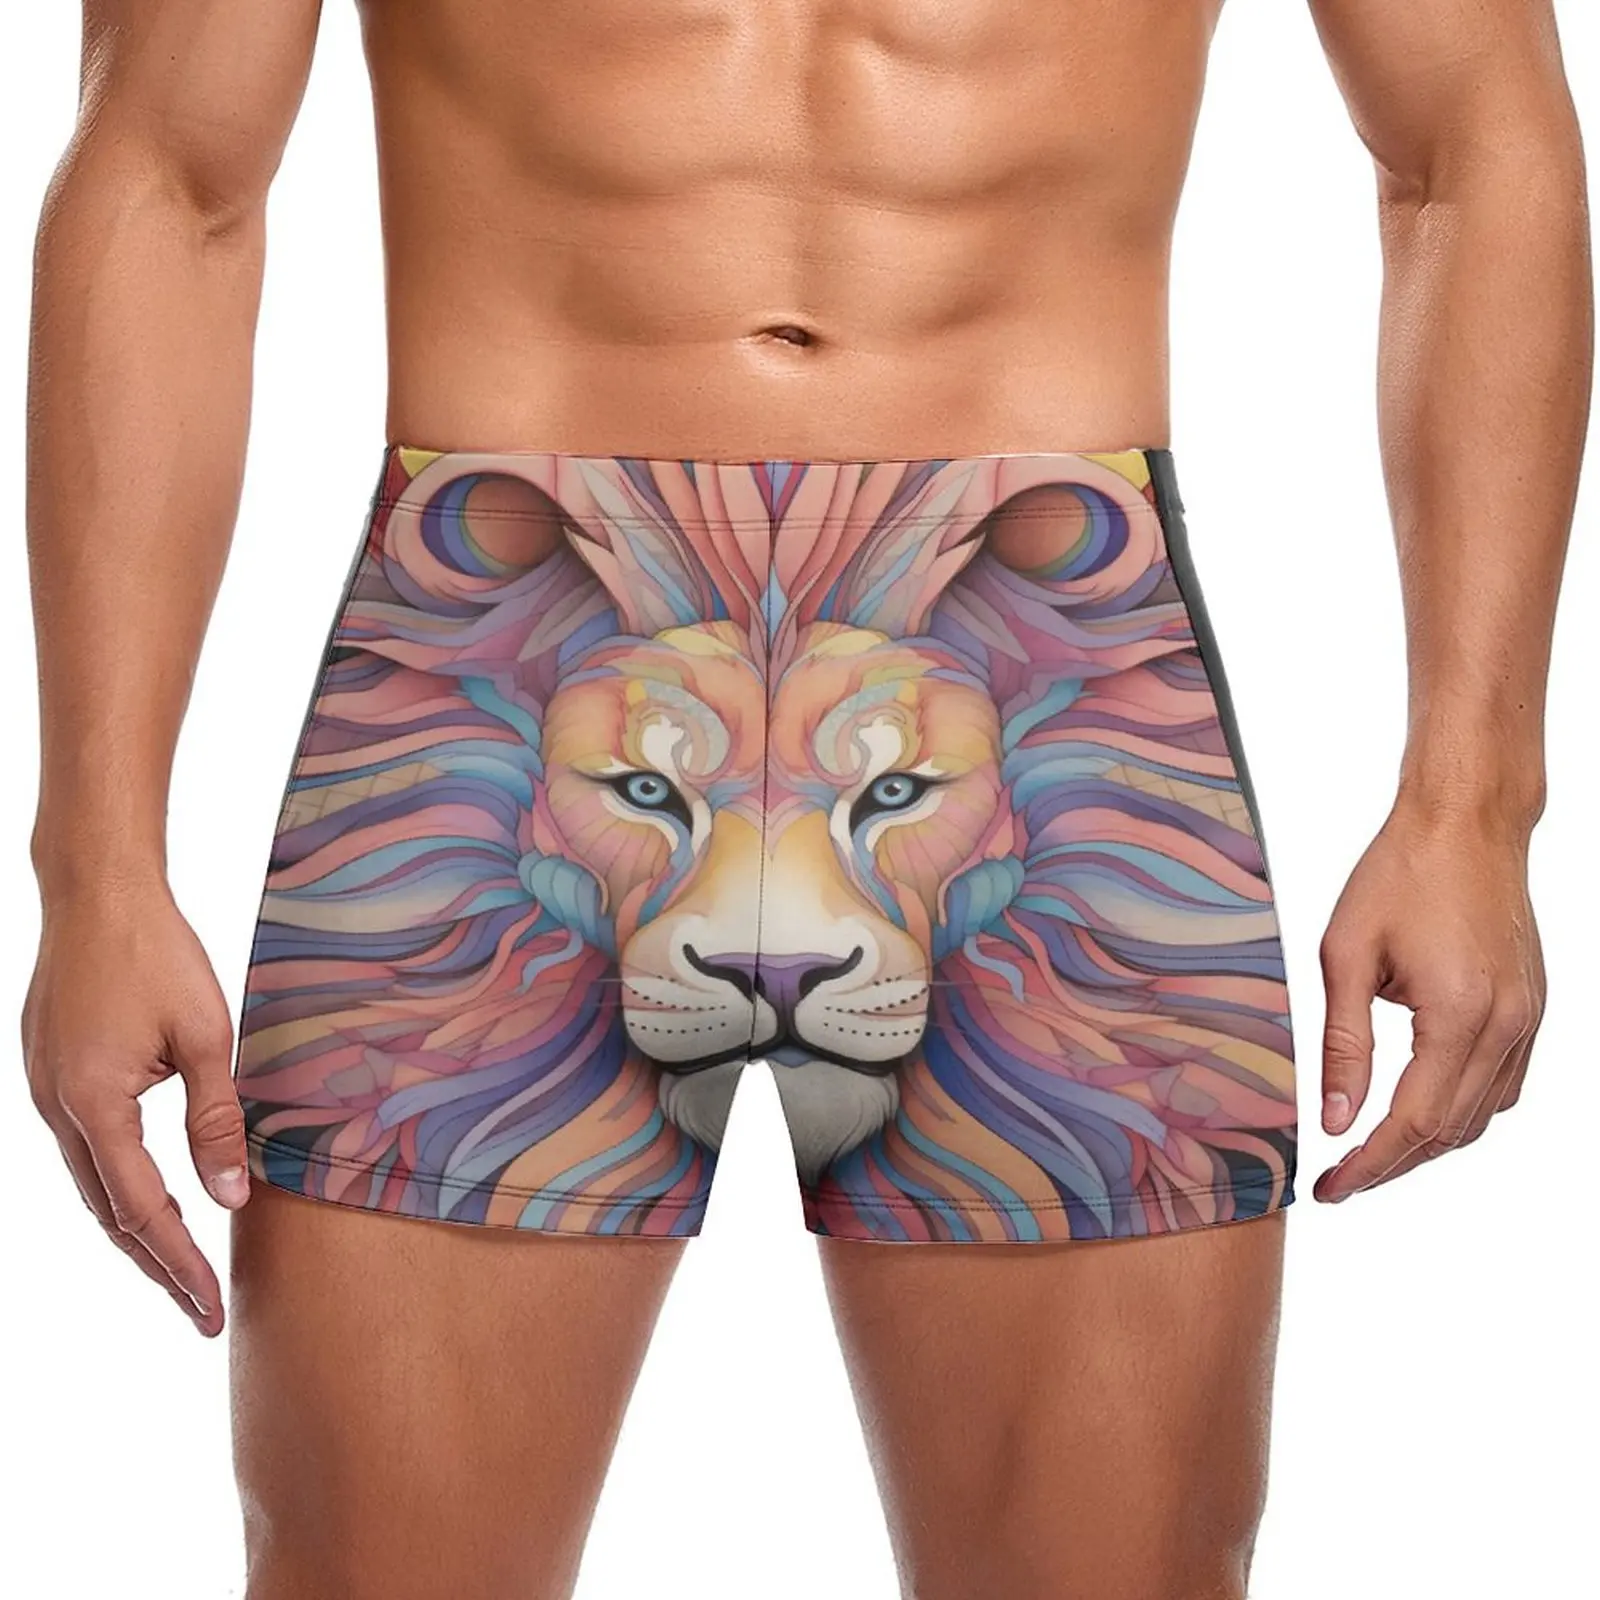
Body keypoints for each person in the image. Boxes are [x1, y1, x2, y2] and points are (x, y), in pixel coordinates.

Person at [20, 1, 1589, 1597]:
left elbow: (1469, 137)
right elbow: (171, 179)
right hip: (514, 645)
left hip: (1033, 653)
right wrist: (94, 865)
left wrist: (1474, 802)